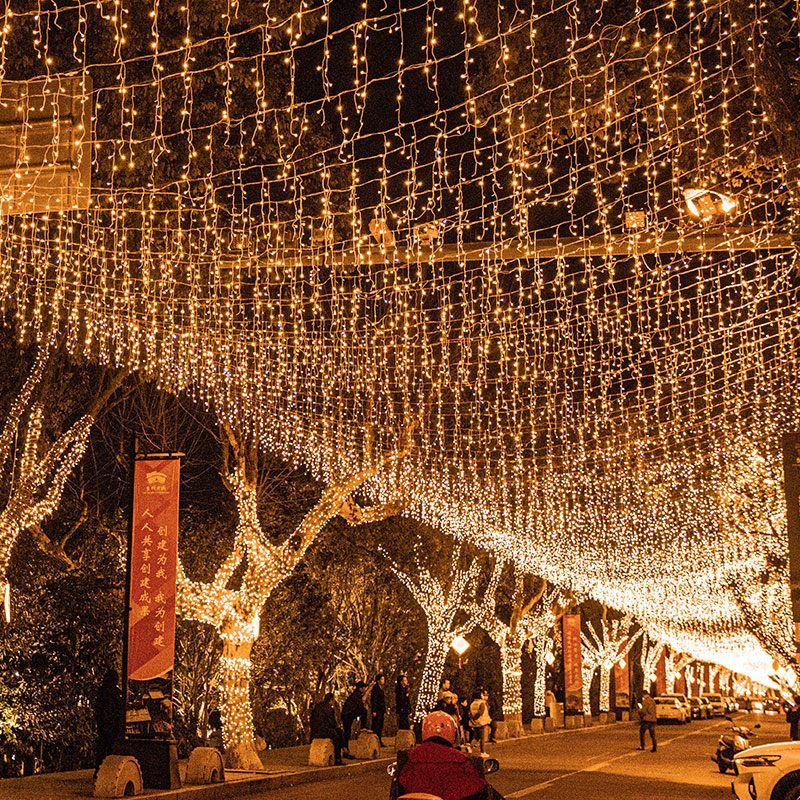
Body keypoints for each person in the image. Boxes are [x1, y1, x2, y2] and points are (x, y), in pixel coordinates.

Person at [395, 710, 504, 800]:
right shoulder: (461, 759)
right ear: (452, 731)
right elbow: (476, 787)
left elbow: (400, 788)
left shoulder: (409, 757)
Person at [94, 669, 123, 778]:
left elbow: (98, 709)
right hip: (112, 724)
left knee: (102, 747)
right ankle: (109, 770)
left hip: (103, 724)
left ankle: (98, 769)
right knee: (111, 747)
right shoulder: (116, 693)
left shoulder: (102, 691)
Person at [310, 693, 353, 765]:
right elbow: (332, 723)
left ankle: (344, 749)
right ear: (330, 700)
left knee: (337, 733)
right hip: (324, 731)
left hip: (314, 731)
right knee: (338, 735)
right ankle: (339, 757)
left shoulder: (317, 707)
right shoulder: (329, 709)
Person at [469, 689, 492, 754]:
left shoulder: (472, 703)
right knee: (482, 738)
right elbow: (481, 712)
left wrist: (473, 719)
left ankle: (470, 747)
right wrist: (476, 717)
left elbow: (470, 713)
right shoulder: (481, 703)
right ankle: (483, 752)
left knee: (476, 737)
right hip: (482, 722)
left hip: (475, 722)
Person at [370, 673, 387, 747]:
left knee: (380, 726)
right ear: (378, 680)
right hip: (377, 710)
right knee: (376, 725)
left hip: (381, 710)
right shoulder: (375, 689)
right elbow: (374, 700)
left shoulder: (380, 689)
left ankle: (379, 740)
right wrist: (374, 710)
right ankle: (375, 740)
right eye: (382, 679)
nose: (383, 681)